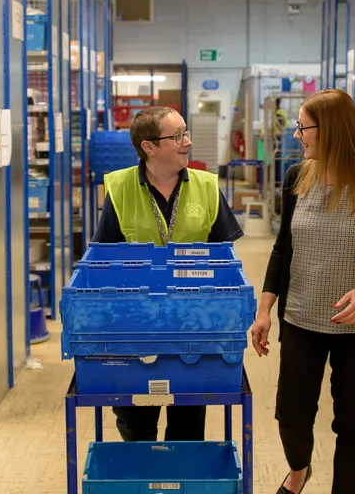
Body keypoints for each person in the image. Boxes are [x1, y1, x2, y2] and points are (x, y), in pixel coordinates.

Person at [250, 89, 355, 494]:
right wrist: (265, 309)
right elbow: (281, 249)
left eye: (303, 127)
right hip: (301, 319)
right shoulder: (296, 177)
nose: (297, 135)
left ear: (331, 129)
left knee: (352, 425)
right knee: (291, 417)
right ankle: (299, 471)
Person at [93, 105, 244, 442]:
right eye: (177, 136)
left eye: (186, 133)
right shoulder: (119, 188)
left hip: (193, 325)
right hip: (137, 326)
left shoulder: (205, 187)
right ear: (149, 147)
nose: (187, 142)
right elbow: (103, 262)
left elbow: (225, 260)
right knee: (136, 426)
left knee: (188, 425)